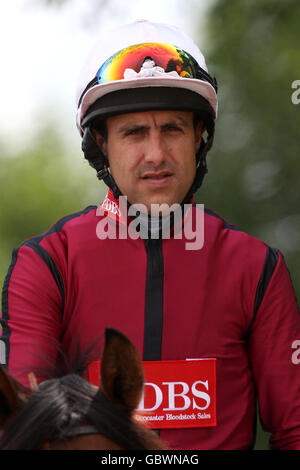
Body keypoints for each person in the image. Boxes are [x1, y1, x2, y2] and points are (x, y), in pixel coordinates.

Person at [1, 20, 300, 450]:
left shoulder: (257, 268)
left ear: (200, 137)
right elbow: (20, 426)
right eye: (134, 132)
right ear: (101, 143)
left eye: (173, 129)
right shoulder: (48, 264)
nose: (156, 154)